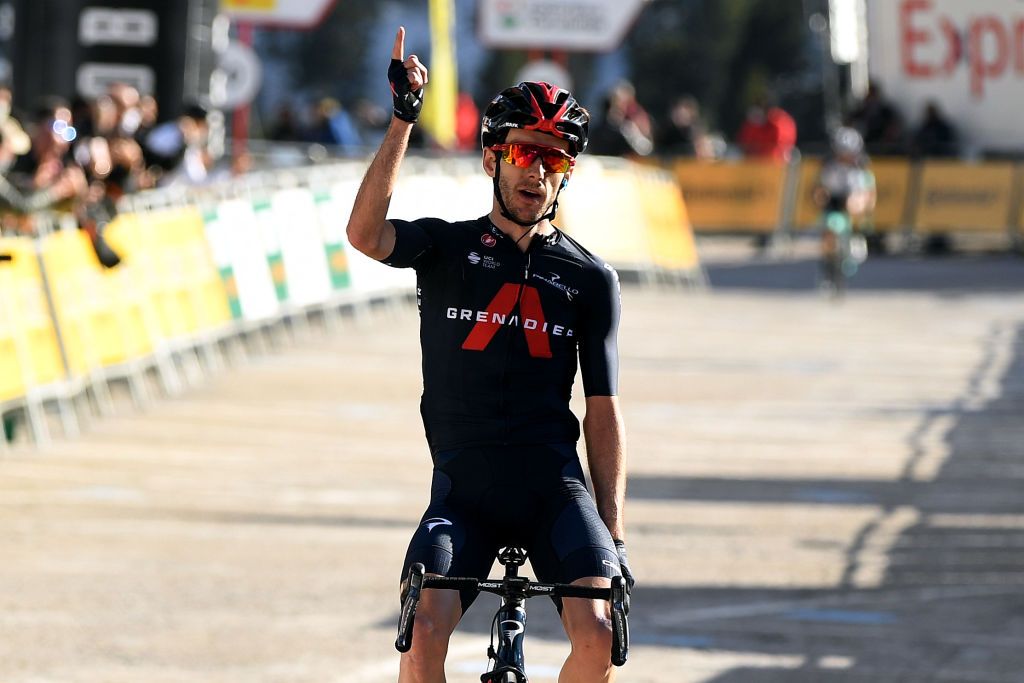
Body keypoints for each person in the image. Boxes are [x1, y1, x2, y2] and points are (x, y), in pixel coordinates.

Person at [346, 27, 633, 683]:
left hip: (554, 489)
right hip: (464, 490)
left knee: (599, 628)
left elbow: (604, 411)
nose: (537, 170)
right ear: (491, 159)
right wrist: (402, 121)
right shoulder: (446, 249)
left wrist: (613, 534)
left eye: (555, 159)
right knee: (420, 627)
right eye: (525, 152)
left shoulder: (590, 279)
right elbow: (365, 234)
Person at [813, 126, 875, 296]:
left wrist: (859, 205)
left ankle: (854, 239)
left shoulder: (861, 168)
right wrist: (821, 197)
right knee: (829, 230)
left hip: (853, 205)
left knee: (853, 204)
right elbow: (820, 190)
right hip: (834, 204)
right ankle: (828, 267)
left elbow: (866, 194)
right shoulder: (829, 166)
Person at [736, 93, 797, 162]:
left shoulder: (779, 122)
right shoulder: (752, 123)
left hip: (776, 162)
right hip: (754, 162)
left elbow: (778, 148)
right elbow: (745, 143)